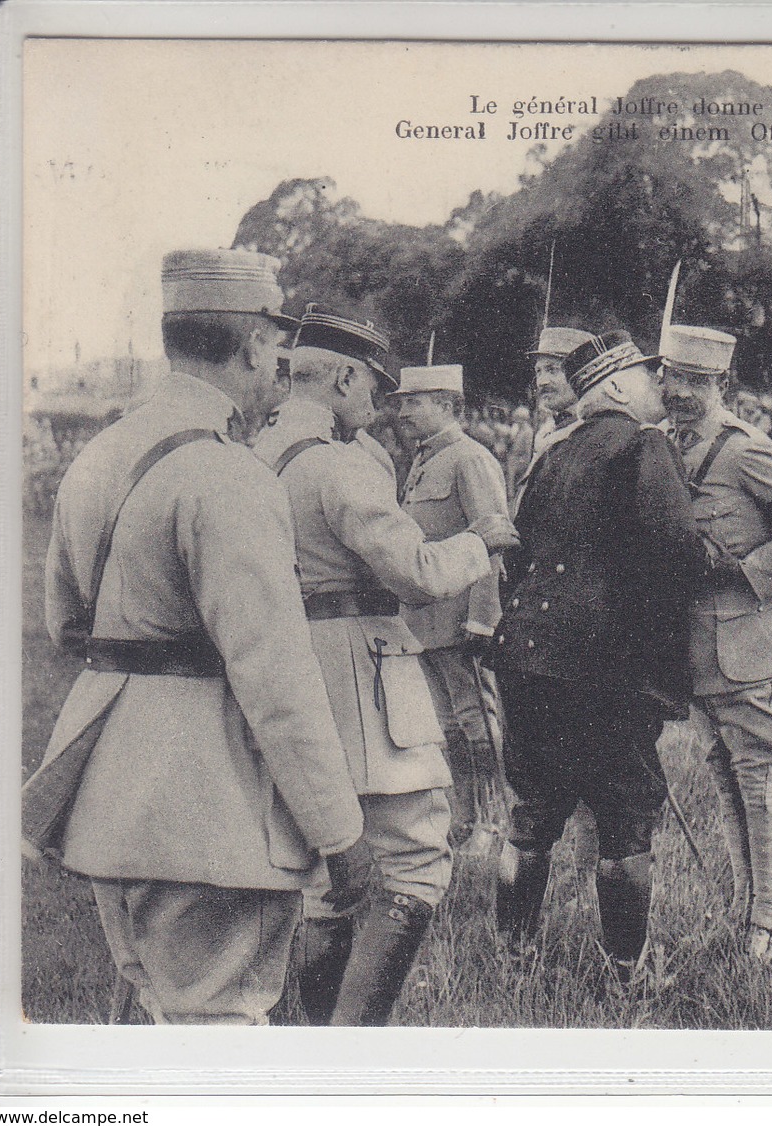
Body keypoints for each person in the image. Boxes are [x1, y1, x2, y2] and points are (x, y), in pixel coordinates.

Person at [24, 249, 372, 1025]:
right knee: (217, 1038)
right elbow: (276, 679)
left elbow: (64, 625)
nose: (277, 366)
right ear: (253, 344)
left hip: (110, 799)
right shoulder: (230, 475)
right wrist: (340, 833)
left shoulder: (100, 454)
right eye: (275, 349)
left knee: (148, 1020)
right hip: (210, 817)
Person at [252, 309, 516, 1025]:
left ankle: (305, 1040)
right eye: (372, 385)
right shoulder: (337, 465)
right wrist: (482, 539)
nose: (378, 404)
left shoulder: (259, 448)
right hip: (360, 671)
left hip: (288, 668)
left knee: (325, 870)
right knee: (415, 862)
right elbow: (418, 572)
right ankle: (349, 1046)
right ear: (342, 376)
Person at [488, 330, 708, 981]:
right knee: (624, 820)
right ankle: (628, 971)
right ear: (616, 388)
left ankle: (513, 961)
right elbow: (676, 554)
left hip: (526, 657)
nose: (660, 389)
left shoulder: (554, 456)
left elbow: (519, 555)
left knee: (531, 815)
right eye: (648, 377)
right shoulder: (645, 445)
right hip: (604, 671)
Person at [659, 324, 772, 959]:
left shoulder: (744, 451)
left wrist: (744, 570)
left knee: (758, 777)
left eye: (694, 382)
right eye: (671, 379)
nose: (678, 392)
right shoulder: (665, 448)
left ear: (720, 385)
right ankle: (742, 901)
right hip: (695, 650)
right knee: (721, 775)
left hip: (750, 642)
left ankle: (767, 917)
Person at [391, 361, 515, 851]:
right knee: (447, 726)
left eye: (413, 402)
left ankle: (497, 821)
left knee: (477, 721)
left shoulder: (470, 458)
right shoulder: (422, 461)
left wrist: (483, 618)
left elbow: (496, 542)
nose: (403, 411)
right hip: (425, 621)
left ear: (447, 405)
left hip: (462, 621)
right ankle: (464, 818)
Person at [506, 326, 595, 506]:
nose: (542, 382)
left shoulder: (594, 429)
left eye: (553, 370)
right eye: (539, 371)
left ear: (583, 373)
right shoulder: (547, 431)